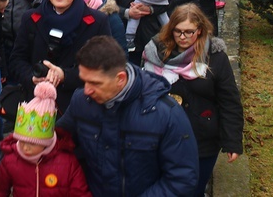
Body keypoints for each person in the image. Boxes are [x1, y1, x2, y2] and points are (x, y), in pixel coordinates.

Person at [57, 36, 199, 197]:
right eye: (84, 82)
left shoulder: (166, 114)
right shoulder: (81, 102)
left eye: (95, 83)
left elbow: (182, 178)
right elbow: (58, 142)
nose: (87, 90)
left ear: (120, 79)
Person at [142, 4, 244, 197]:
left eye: (189, 32)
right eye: (178, 31)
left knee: (193, 189)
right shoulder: (155, 52)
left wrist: (232, 141)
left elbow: (229, 101)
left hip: (202, 140)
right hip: (162, 137)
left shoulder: (215, 57)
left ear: (199, 30)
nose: (182, 37)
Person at [8, 0, 111, 114]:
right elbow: (16, 60)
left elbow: (105, 68)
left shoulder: (97, 21)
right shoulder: (31, 18)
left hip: (79, 109)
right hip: (36, 110)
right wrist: (31, 78)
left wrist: (66, 76)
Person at [0, 82, 90, 197]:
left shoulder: (67, 162)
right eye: (21, 141)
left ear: (46, 142)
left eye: (32, 144)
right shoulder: (10, 160)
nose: (25, 147)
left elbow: (80, 193)